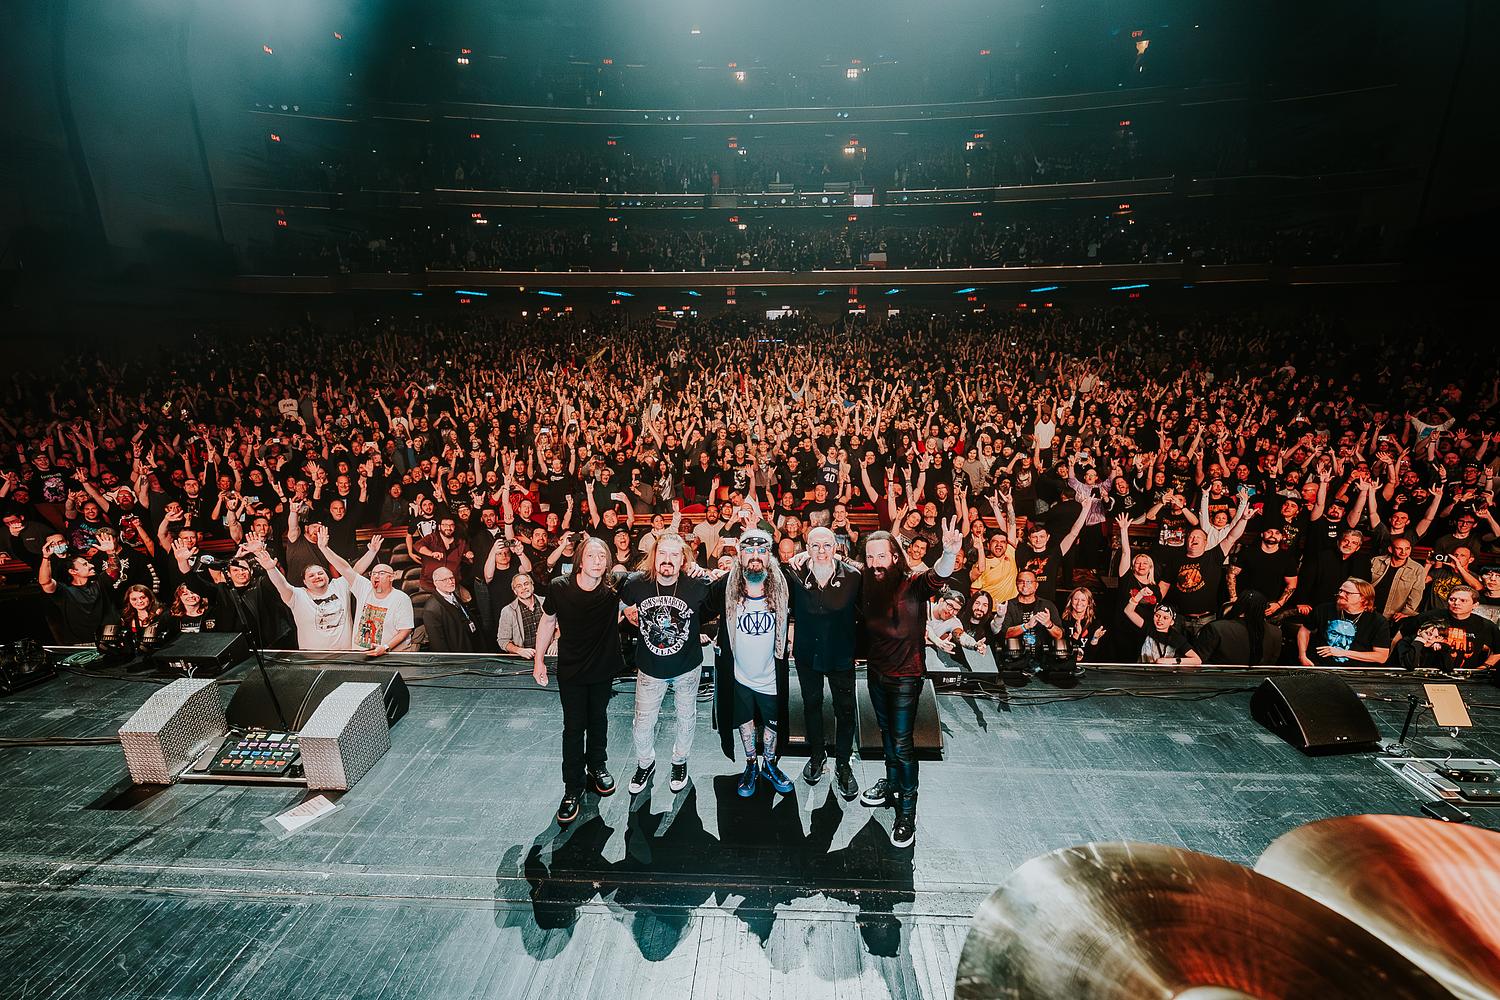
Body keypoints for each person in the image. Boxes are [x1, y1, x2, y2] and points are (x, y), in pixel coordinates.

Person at [858, 519, 962, 849]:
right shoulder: (865, 581)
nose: (875, 563)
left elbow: (937, 576)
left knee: (902, 744)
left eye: (881, 556)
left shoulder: (912, 584)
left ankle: (907, 811)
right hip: (876, 673)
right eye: (870, 557)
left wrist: (949, 553)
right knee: (886, 734)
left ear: (895, 557)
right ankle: (891, 783)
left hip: (906, 677)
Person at [532, 535, 623, 826]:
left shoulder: (614, 586)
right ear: (580, 560)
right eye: (591, 556)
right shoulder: (560, 587)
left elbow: (650, 577)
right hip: (572, 668)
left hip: (602, 667)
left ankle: (597, 766)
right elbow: (548, 621)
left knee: (598, 719)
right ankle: (572, 787)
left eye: (602, 556)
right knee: (573, 727)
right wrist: (539, 660)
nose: (597, 561)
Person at [619, 533, 714, 796]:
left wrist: (705, 571)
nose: (667, 560)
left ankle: (680, 761)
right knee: (642, 723)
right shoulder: (637, 583)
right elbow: (618, 598)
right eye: (662, 553)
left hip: (687, 668)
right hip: (650, 669)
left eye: (674, 554)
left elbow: (719, 599)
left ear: (683, 559)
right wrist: (625, 610)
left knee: (686, 718)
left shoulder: (697, 584)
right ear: (654, 556)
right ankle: (645, 763)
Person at [704, 528, 795, 799]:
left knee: (773, 723)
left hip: (771, 675)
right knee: (744, 722)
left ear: (769, 555)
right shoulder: (725, 585)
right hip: (739, 675)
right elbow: (699, 609)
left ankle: (770, 764)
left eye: (761, 550)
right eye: (749, 550)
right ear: (740, 554)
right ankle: (751, 764)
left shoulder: (784, 582)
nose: (755, 556)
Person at [783, 526, 862, 798]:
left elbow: (864, 613)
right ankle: (817, 755)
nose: (821, 551)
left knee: (846, 710)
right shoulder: (795, 573)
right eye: (814, 546)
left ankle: (843, 763)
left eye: (827, 545)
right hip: (808, 655)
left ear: (835, 547)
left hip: (841, 655)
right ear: (806, 548)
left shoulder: (853, 576)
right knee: (812, 705)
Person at [245, 533, 354, 651]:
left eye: (320, 573)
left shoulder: (340, 586)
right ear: (305, 582)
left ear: (328, 576)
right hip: (313, 659)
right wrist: (271, 568)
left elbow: (353, 571)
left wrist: (370, 551)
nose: (317, 576)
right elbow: (282, 585)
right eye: (311, 575)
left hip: (347, 656)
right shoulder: (298, 595)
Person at [319, 532, 414, 657]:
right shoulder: (364, 588)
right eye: (373, 573)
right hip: (360, 655)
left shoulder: (401, 598)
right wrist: (324, 549)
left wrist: (385, 647)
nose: (376, 576)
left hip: (387, 656)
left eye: (381, 573)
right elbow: (345, 569)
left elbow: (405, 630)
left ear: (391, 577)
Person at [1393, 586, 1500, 675]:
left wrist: (1482, 668)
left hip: (1464, 678)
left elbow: (1498, 651)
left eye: (1463, 600)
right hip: (1425, 674)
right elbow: (1401, 634)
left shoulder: (1485, 625)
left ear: (1475, 605)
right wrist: (1391, 660)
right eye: (1452, 599)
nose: (1456, 603)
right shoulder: (1429, 616)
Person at [1297, 578, 1391, 667]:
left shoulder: (1378, 621)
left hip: (1356, 672)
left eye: (1347, 593)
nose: (1341, 594)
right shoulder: (1323, 609)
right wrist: (1302, 655)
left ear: (1363, 598)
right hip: (1320, 666)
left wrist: (1343, 653)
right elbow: (1305, 630)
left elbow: (1381, 657)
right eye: (1341, 590)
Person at [37, 539, 116, 644]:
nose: (91, 565)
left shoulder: (99, 582)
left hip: (106, 640)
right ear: (73, 571)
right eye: (85, 564)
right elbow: (45, 582)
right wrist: (46, 557)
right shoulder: (64, 591)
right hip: (80, 643)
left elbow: (114, 569)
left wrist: (111, 552)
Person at [1194, 591, 1283, 665]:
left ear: (1238, 605)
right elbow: (1272, 662)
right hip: (1259, 679)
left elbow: (1199, 659)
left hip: (1220, 678)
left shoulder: (1216, 628)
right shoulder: (1276, 632)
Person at [1000, 570, 1064, 670]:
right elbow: (1004, 634)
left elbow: (1059, 635)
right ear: (1016, 584)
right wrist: (1026, 626)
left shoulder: (1048, 605)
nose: (1025, 585)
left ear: (1036, 585)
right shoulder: (1007, 605)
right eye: (1021, 581)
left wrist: (1049, 624)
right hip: (1014, 662)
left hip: (1043, 662)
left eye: (1029, 582)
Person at [1123, 598, 1202, 667]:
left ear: (1172, 622)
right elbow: (1128, 611)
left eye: (1165, 618)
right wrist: (1140, 594)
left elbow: (1197, 660)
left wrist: (1170, 661)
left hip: (1165, 674)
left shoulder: (1176, 638)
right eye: (1157, 615)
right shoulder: (1148, 627)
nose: (1160, 620)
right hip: (1143, 672)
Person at [422, 566, 481, 652]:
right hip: (457, 654)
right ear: (436, 583)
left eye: (451, 578)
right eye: (445, 580)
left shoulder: (453, 595)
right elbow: (438, 644)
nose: (450, 582)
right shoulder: (431, 609)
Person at [496, 573, 554, 658]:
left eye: (526, 584)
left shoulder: (547, 602)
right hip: (524, 659)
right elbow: (503, 641)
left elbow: (560, 626)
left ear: (532, 585)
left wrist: (556, 642)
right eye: (519, 586)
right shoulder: (508, 611)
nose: (524, 588)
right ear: (515, 591)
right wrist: (519, 650)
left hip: (549, 656)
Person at [1368, 537, 1426, 624]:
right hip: (1368, 609)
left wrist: (1406, 612)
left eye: (1407, 548)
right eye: (1399, 548)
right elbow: (1363, 584)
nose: (1403, 552)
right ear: (1390, 549)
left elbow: (1416, 594)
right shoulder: (1376, 561)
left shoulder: (1417, 569)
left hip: (1392, 616)